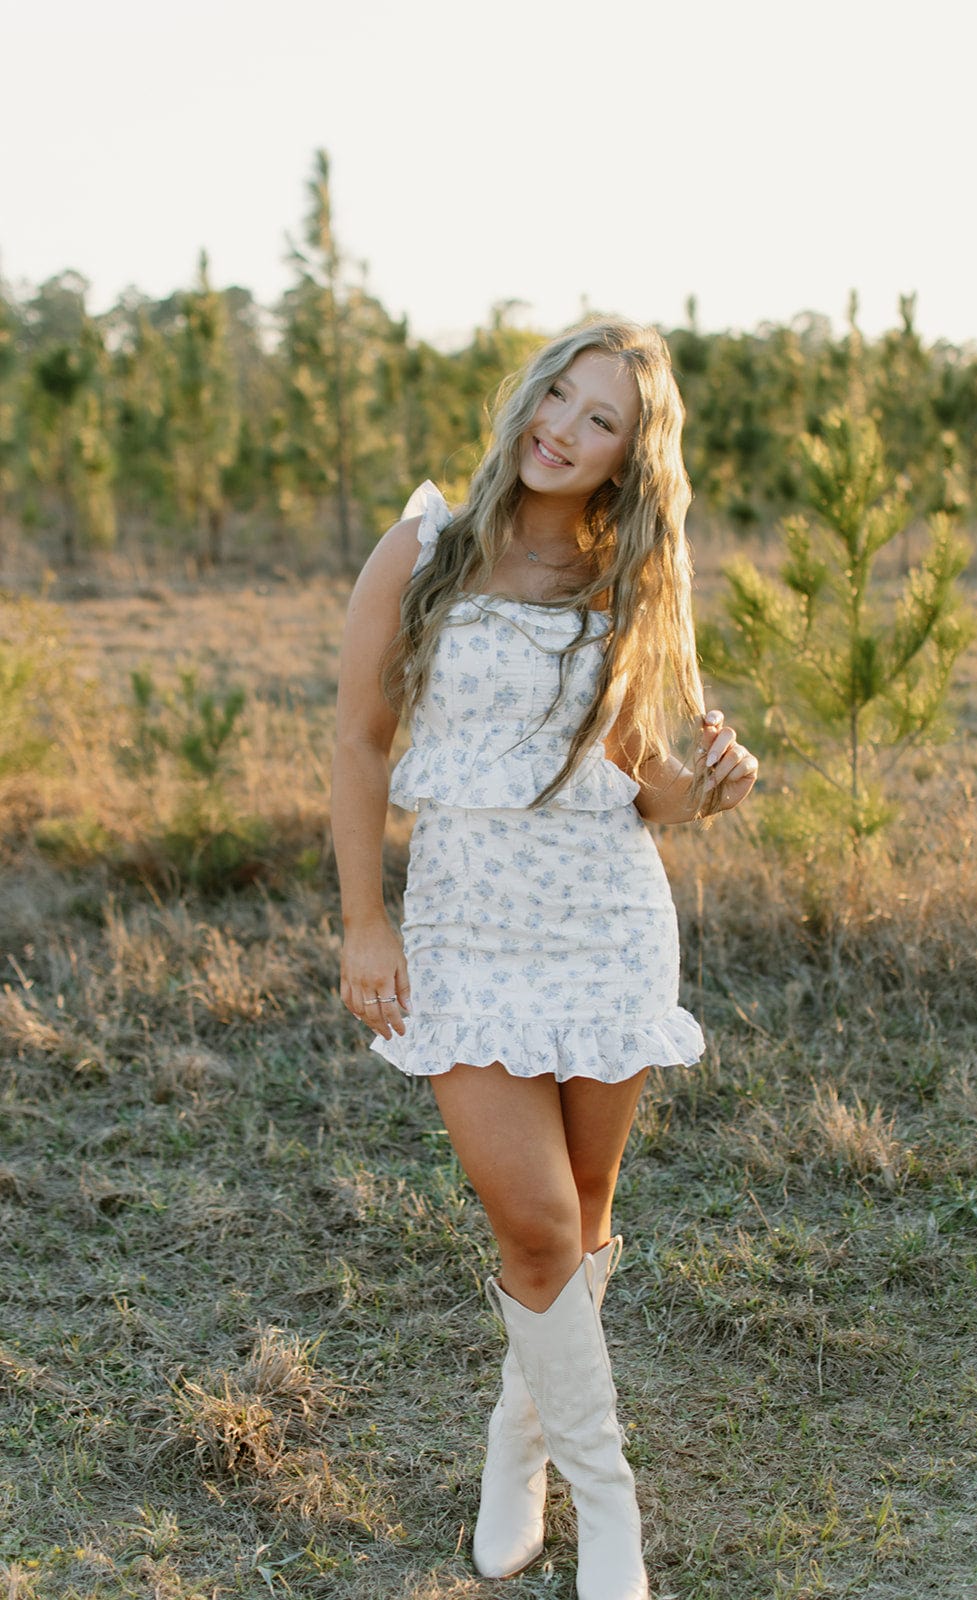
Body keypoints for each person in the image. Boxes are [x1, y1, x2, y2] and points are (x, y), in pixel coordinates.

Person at [331, 319, 758, 1600]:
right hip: (464, 931)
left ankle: (517, 1452)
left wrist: (708, 786)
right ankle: (607, 1501)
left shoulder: (632, 576)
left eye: (599, 418)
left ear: (630, 455)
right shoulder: (424, 545)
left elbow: (644, 784)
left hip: (603, 924)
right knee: (534, 1223)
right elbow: (358, 742)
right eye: (557, 395)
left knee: (584, 1207)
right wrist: (365, 922)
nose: (561, 428)